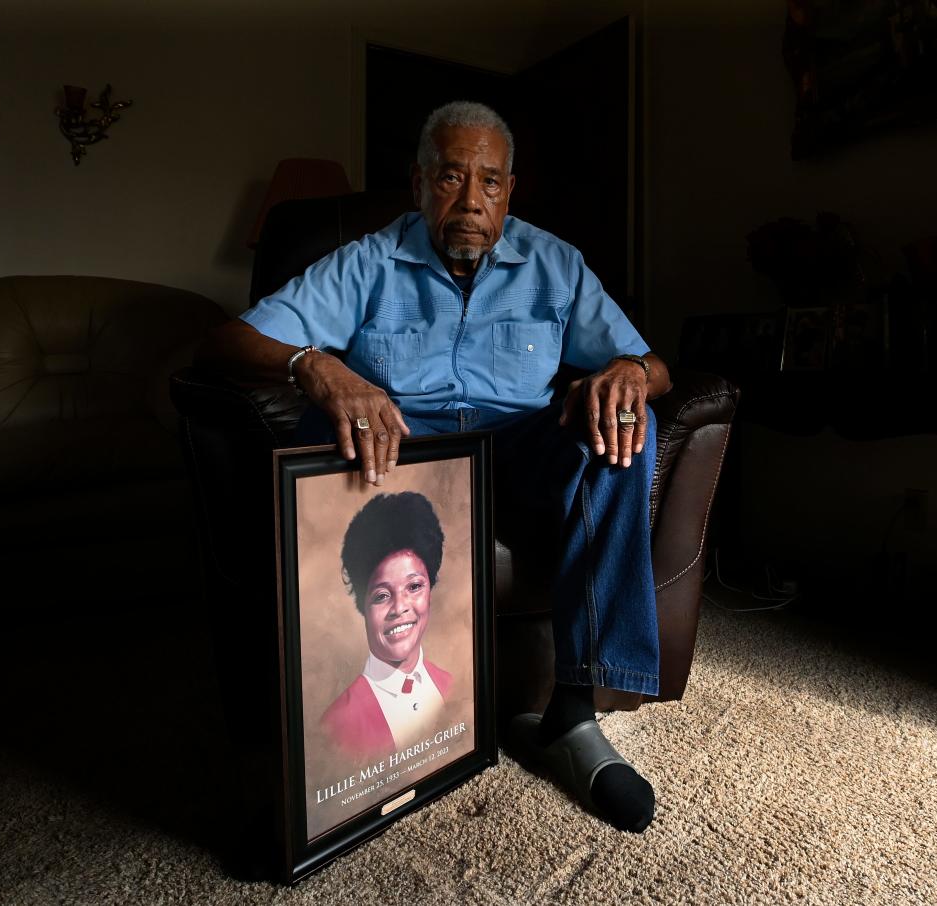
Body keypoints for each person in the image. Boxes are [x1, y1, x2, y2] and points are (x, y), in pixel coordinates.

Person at [197, 100, 673, 833]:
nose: (471, 201)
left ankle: (574, 718)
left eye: (489, 182)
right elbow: (228, 341)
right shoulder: (365, 262)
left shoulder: (555, 264)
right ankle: (328, 746)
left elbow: (655, 364)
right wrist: (314, 363)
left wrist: (630, 375)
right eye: (452, 177)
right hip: (407, 457)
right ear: (419, 184)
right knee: (317, 422)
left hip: (520, 455)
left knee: (625, 420)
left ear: (510, 191)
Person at [322, 492, 452, 760]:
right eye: (382, 595)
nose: (400, 607)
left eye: (414, 586)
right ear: (363, 606)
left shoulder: (450, 686)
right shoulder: (336, 727)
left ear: (430, 590)